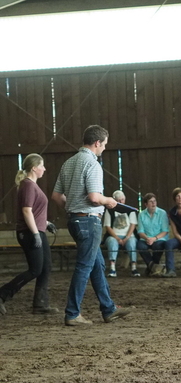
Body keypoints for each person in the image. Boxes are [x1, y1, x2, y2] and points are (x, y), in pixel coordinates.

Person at [51, 125, 130, 326]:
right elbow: (94, 197)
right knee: (84, 267)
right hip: (89, 220)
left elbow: (56, 196)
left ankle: (108, 308)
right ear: (97, 143)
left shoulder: (68, 163)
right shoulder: (92, 164)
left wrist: (72, 209)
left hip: (75, 220)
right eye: (104, 145)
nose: (104, 148)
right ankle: (71, 313)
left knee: (97, 265)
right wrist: (109, 201)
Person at [0, 154, 58, 316]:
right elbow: (26, 211)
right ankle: (2, 294)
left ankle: (40, 304)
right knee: (35, 269)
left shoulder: (32, 185)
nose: (44, 169)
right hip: (29, 232)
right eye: (42, 166)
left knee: (45, 267)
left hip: (36, 230)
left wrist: (46, 223)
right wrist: (35, 233)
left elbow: (34, 211)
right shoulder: (28, 186)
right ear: (34, 168)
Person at [103, 190, 140, 278]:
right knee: (112, 242)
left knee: (132, 243)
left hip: (128, 235)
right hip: (113, 236)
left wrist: (126, 238)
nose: (121, 202)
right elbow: (108, 227)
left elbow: (133, 225)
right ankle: (112, 268)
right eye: (118, 200)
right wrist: (117, 238)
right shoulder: (110, 211)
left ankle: (134, 268)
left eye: (122, 200)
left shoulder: (130, 210)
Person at [136, 193, 169, 276]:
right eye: (151, 202)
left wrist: (154, 238)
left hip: (159, 238)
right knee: (140, 246)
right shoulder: (141, 214)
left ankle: (150, 268)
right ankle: (154, 268)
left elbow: (165, 231)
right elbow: (140, 231)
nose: (153, 203)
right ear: (146, 204)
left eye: (154, 201)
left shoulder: (162, 213)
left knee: (157, 246)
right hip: (145, 238)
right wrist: (147, 238)